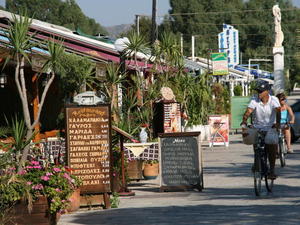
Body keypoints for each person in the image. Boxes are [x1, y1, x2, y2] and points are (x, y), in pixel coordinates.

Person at [241, 79, 281, 179]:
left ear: (267, 91)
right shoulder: (254, 99)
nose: (258, 93)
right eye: (258, 91)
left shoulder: (274, 100)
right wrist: (244, 120)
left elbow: (278, 112)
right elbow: (248, 111)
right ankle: (257, 162)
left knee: (271, 146)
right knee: (256, 145)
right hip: (257, 127)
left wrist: (278, 124)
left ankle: (271, 170)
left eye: (260, 91)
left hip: (270, 127)